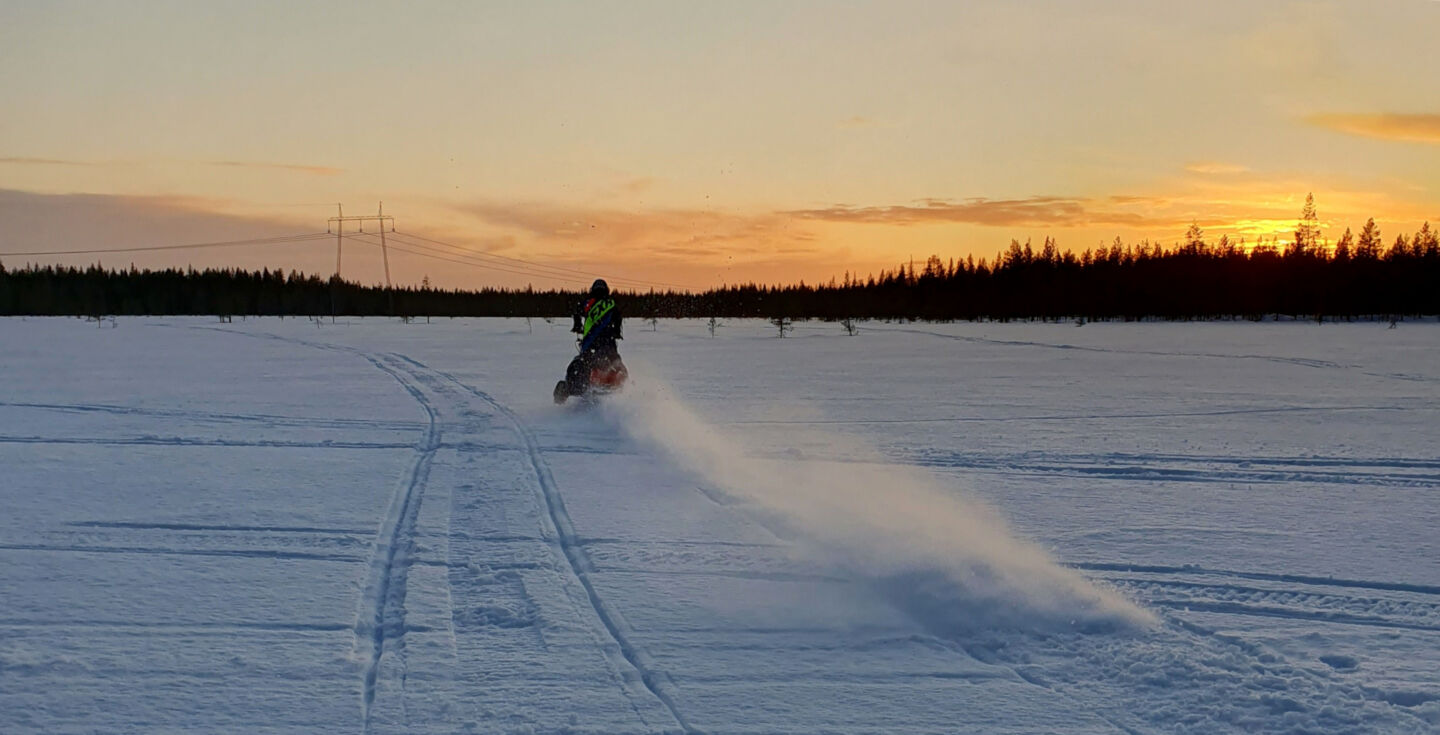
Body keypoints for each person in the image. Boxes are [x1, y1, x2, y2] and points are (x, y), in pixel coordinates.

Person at [554, 278, 625, 403]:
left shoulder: (588, 303)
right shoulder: (611, 304)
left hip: (591, 346)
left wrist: (577, 325)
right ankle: (622, 391)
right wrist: (617, 332)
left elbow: (577, 311)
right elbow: (618, 318)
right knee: (617, 365)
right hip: (608, 347)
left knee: (580, 366)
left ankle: (569, 389)